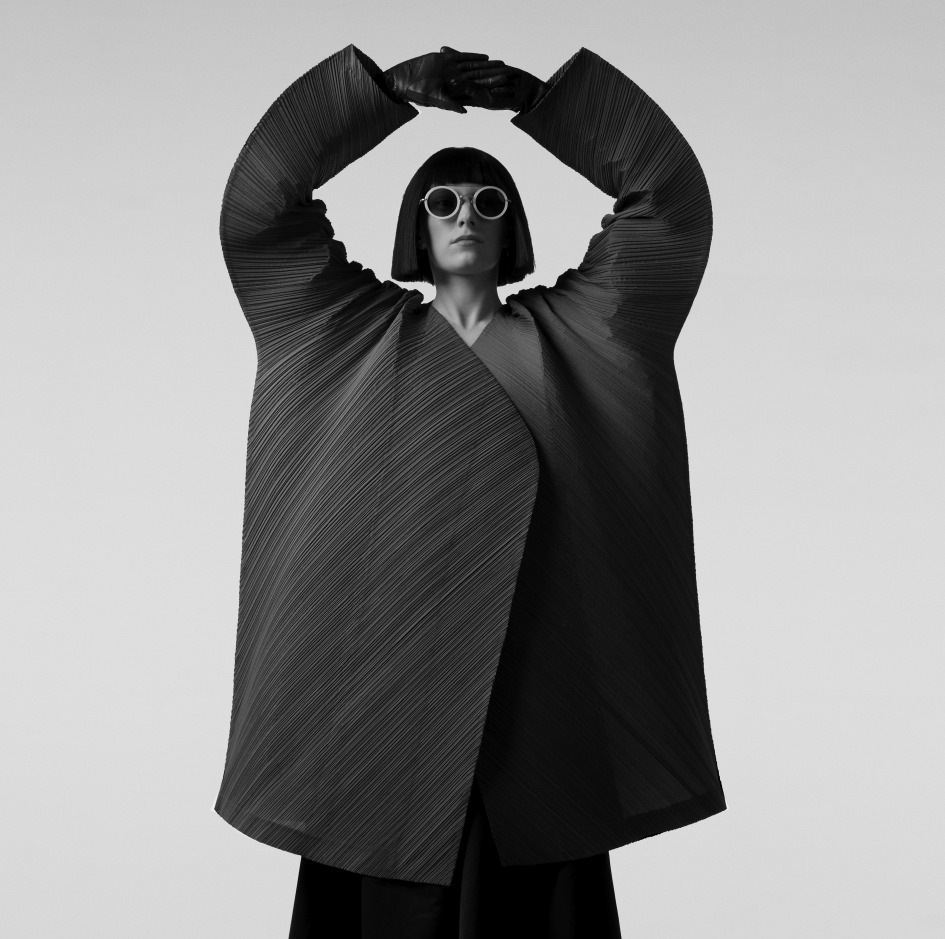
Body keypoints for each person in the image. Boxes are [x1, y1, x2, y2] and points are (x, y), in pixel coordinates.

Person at [214, 44, 725, 938]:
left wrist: (553, 106)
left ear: (513, 223)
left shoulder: (590, 333)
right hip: (373, 722)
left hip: (540, 722)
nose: (464, 216)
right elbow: (258, 211)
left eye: (488, 201)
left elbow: (671, 206)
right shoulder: (337, 330)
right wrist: (378, 94)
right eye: (441, 200)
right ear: (413, 222)